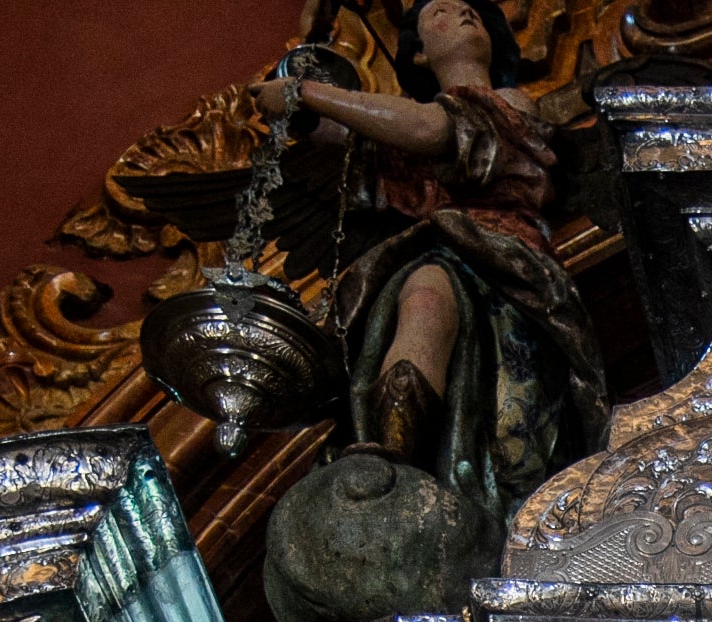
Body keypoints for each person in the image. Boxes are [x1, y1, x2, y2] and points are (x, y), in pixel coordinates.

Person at [256, 0, 608, 520]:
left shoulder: (511, 104)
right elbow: (351, 141)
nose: (463, 14)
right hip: (443, 260)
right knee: (422, 295)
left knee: (443, 306)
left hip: (512, 273)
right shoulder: (400, 135)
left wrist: (309, 93)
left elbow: (437, 131)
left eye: (470, 10)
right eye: (440, 12)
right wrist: (297, 94)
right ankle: (393, 459)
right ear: (419, 55)